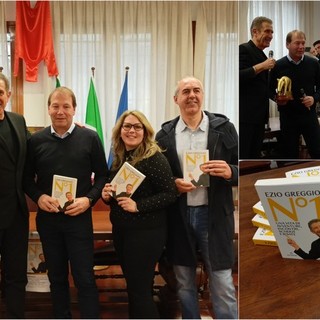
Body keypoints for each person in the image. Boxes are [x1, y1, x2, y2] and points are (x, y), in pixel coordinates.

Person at [156, 76, 238, 319]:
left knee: (222, 281)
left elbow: (242, 165)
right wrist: (172, 184)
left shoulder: (224, 129)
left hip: (213, 216)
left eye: (197, 90)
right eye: (186, 91)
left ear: (202, 95)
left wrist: (231, 171)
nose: (192, 95)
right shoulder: (164, 135)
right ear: (176, 99)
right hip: (178, 218)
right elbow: (158, 179)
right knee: (183, 281)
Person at [23, 86, 108, 318]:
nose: (60, 111)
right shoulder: (35, 140)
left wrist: (89, 200)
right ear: (49, 108)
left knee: (84, 277)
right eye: (55, 106)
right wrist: (39, 197)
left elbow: (102, 175)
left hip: (78, 220)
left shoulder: (89, 138)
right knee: (57, 277)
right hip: (49, 221)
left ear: (74, 109)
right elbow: (26, 179)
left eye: (66, 106)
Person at [101, 110, 177, 319]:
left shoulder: (154, 157)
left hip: (145, 233)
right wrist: (107, 195)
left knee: (140, 290)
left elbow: (170, 194)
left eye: (137, 126)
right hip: (123, 232)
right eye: (127, 126)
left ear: (145, 131)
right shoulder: (120, 157)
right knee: (135, 288)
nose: (131, 130)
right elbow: (117, 193)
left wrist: (138, 206)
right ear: (120, 131)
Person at [0, 72, 30, 318]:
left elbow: (36, 150)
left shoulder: (18, 121)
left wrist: (73, 130)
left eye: (0, 92)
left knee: (16, 274)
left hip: (15, 215)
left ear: (8, 95)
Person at [270, 30, 320, 159]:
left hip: (309, 116)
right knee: (289, 155)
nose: (301, 47)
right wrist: (277, 98)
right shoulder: (278, 65)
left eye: (303, 43)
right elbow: (269, 89)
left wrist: (314, 98)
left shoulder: (314, 63)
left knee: (317, 152)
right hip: (288, 117)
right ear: (287, 45)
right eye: (297, 43)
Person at [239, 16, 275, 159]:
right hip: (246, 117)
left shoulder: (261, 54)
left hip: (260, 117)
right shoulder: (244, 49)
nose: (271, 36)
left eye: (272, 32)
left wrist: (275, 97)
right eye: (267, 31)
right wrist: (262, 66)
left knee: (254, 156)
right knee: (245, 156)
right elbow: (238, 76)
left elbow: (262, 86)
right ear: (255, 31)